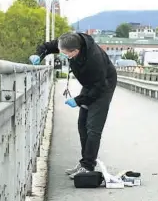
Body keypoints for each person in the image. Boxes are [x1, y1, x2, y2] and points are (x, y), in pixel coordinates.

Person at [29, 32, 117, 179]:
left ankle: (88, 166)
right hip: (90, 84)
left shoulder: (94, 59)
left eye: (64, 54)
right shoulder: (69, 41)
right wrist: (39, 54)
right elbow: (47, 46)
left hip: (103, 85)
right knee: (82, 124)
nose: (61, 55)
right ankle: (85, 163)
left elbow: (99, 87)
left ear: (75, 51)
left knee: (93, 127)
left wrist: (79, 100)